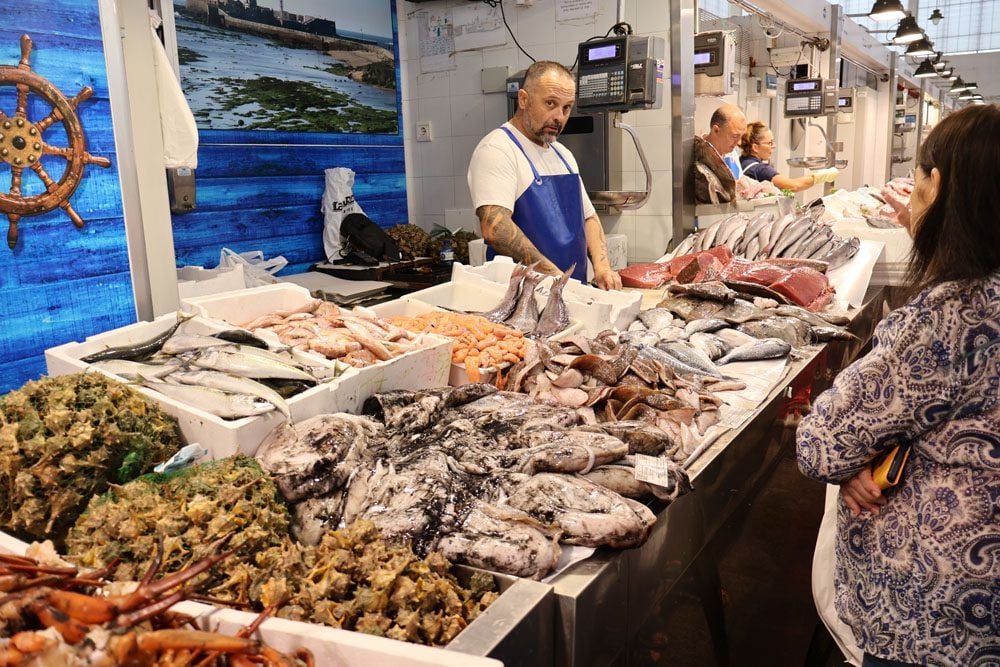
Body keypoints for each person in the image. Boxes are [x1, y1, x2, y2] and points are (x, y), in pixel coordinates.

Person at [796, 104, 1000, 667]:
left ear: (939, 185)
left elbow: (821, 444)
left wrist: (856, 461)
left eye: (916, 188)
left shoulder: (950, 314)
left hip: (937, 612)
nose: (911, 200)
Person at [467, 61, 621, 290]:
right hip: (520, 295)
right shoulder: (497, 149)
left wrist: (602, 268)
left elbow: (588, 217)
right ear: (523, 99)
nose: (559, 116)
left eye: (567, 108)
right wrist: (554, 278)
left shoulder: (563, 155)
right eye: (550, 103)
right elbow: (495, 229)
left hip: (569, 290)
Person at [738, 121, 838, 191]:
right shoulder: (760, 169)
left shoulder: (741, 161)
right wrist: (820, 176)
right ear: (755, 147)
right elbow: (794, 186)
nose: (774, 146)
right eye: (770, 143)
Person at [703, 103, 748, 180]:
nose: (739, 143)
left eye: (741, 136)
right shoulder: (698, 156)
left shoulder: (731, 153)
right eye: (734, 136)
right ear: (716, 130)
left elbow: (740, 179)